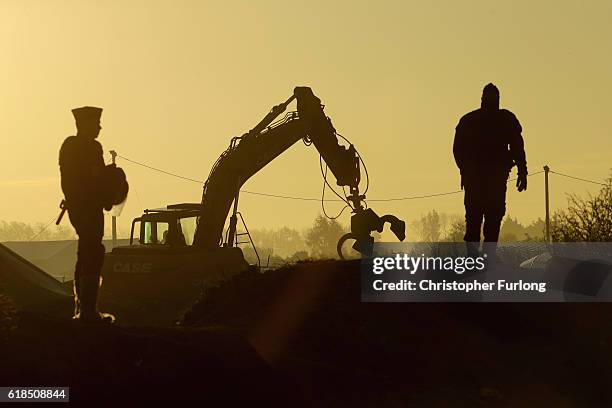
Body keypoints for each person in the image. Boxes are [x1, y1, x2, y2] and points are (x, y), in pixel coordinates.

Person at [453, 83, 528, 258]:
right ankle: (481, 260)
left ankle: (479, 260)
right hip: (488, 180)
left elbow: (517, 147)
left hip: (484, 181)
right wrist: (522, 172)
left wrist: (466, 171)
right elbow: (518, 147)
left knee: (480, 220)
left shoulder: (470, 121)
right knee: (483, 221)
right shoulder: (502, 120)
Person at [59, 106, 115, 323]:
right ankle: (86, 311)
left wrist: (107, 191)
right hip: (82, 207)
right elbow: (71, 181)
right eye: (96, 123)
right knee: (91, 250)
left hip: (93, 206)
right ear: (83, 125)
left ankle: (86, 309)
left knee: (90, 251)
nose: (100, 127)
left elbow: (99, 177)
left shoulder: (95, 147)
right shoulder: (71, 146)